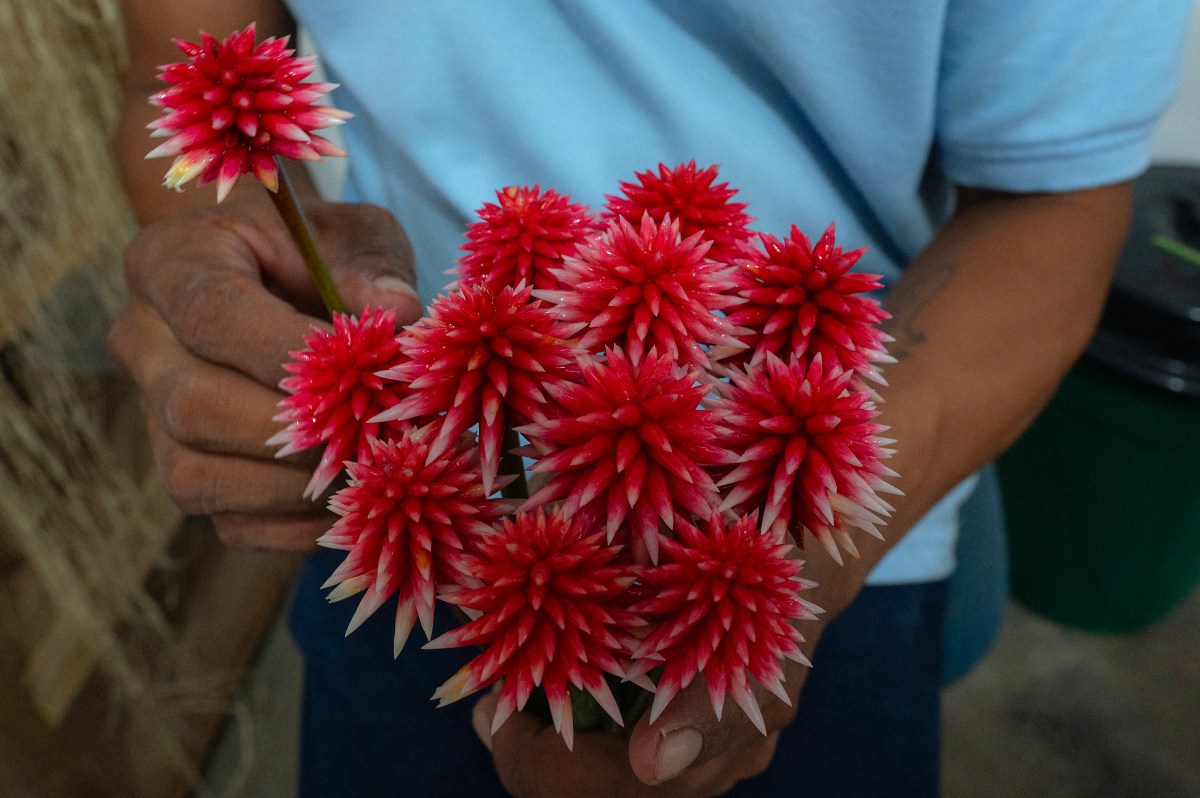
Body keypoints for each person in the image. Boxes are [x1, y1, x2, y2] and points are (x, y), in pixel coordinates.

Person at [108, 2, 1191, 796]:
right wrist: (223, 285)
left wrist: (807, 545)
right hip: (411, 501)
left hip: (835, 501)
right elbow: (182, 50)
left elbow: (1055, 196)